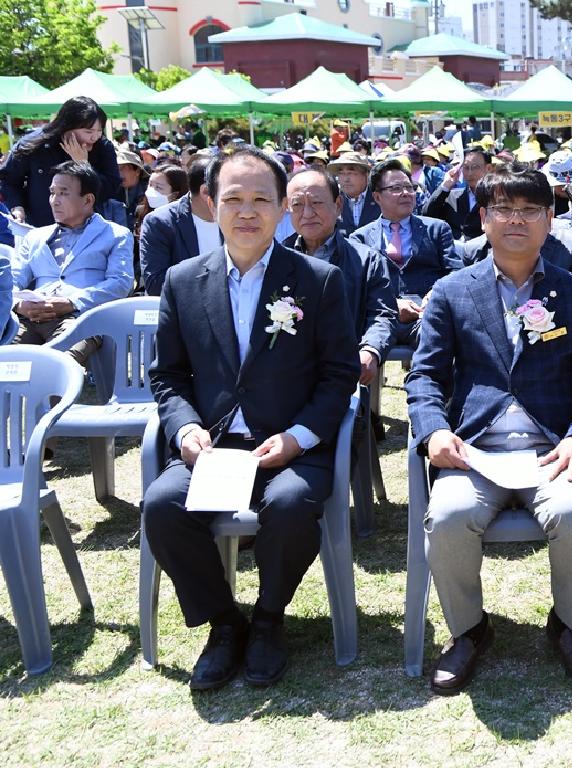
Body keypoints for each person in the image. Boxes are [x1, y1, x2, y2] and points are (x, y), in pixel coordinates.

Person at [142, 147, 360, 692]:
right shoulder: (181, 280)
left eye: (261, 199)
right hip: (213, 448)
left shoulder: (318, 279)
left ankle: (268, 619)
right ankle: (224, 623)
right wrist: (186, 428)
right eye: (233, 199)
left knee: (288, 506)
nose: (246, 211)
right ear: (210, 204)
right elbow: (167, 375)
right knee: (162, 506)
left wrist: (297, 436)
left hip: (290, 446)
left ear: (282, 206)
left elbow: (339, 376)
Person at [405, 165, 572, 694]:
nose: (516, 220)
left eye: (529, 210)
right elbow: (425, 376)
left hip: (553, 448)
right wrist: (433, 430)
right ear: (483, 219)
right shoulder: (453, 291)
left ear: (551, 219)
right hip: (476, 448)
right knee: (450, 515)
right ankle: (470, 630)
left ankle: (568, 623)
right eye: (503, 209)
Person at [10, 161, 133, 364]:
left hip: (81, 318)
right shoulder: (35, 236)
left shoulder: (116, 234)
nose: (54, 201)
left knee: (58, 366)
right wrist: (19, 305)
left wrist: (71, 302)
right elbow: (12, 279)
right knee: (6, 363)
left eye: (63, 193)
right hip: (29, 318)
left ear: (88, 200)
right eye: (52, 192)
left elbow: (120, 283)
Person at [284, 169, 397, 386]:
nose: (307, 213)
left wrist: (370, 350)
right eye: (297, 204)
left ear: (338, 205)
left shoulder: (367, 260)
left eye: (316, 203)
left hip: (342, 370)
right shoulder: (276, 259)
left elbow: (383, 315)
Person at [351, 160, 459, 349]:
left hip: (427, 315)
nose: (406, 193)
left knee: (438, 339)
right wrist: (392, 304)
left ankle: (426, 379)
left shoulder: (436, 229)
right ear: (377, 197)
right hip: (380, 317)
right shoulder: (360, 238)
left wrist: (436, 295)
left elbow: (456, 274)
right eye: (396, 188)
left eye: (409, 187)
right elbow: (356, 286)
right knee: (365, 350)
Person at [1, 97, 121, 228]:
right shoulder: (35, 144)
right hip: (39, 225)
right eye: (88, 131)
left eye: (99, 131)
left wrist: (84, 165)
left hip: (87, 229)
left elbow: (111, 188)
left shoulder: (103, 147)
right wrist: (17, 206)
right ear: (67, 127)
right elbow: (8, 180)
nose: (94, 137)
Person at [141, 157, 218, 296]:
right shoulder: (160, 223)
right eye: (232, 192)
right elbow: (156, 284)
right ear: (206, 192)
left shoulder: (238, 219)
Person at [422, 147, 489, 241]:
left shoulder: (496, 198)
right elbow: (427, 214)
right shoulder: (451, 196)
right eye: (465, 168)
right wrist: (445, 186)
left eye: (475, 167)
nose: (470, 173)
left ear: (488, 168)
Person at [328, 151, 380, 236]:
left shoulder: (380, 198)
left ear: (366, 175)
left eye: (351, 173)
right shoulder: (333, 201)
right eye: (341, 174)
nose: (346, 179)